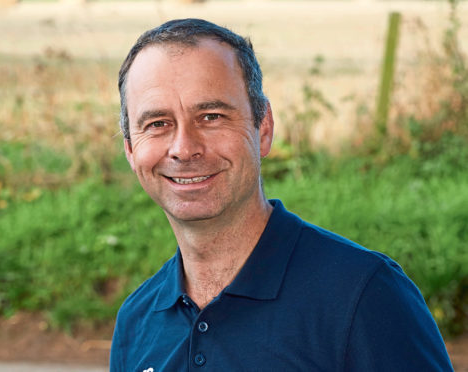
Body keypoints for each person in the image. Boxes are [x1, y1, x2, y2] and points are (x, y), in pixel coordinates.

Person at [110, 18, 453, 371]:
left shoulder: (364, 296)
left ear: (264, 129)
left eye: (211, 116)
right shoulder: (137, 323)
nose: (184, 148)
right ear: (131, 150)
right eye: (157, 124)